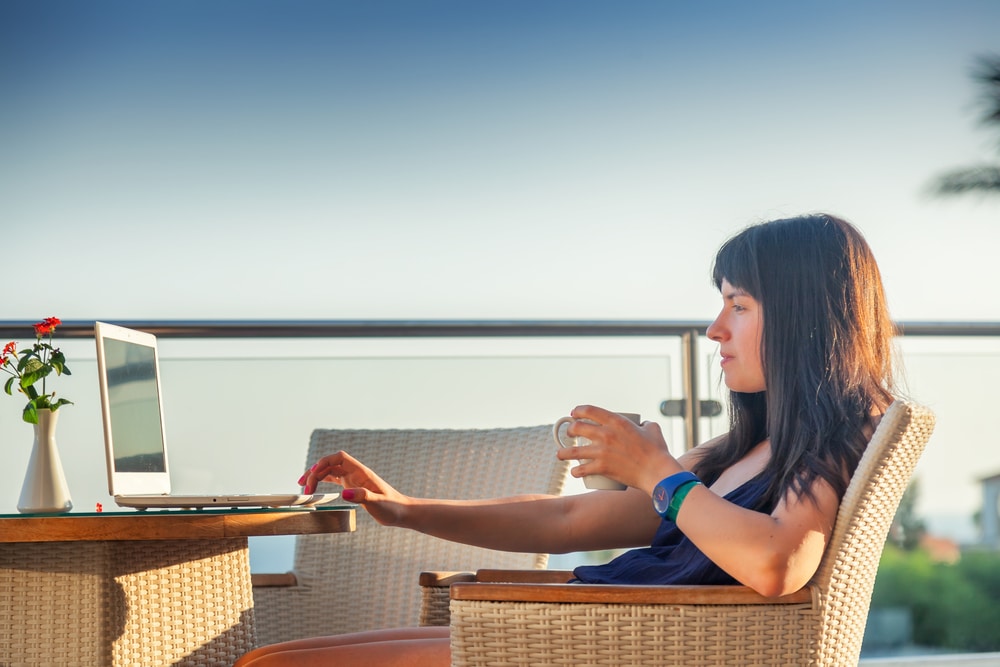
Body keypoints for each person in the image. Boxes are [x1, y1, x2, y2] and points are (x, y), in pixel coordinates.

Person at [235, 213, 898, 667]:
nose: (714, 328)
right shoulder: (748, 447)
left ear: (805, 316)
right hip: (584, 625)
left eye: (738, 304)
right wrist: (405, 506)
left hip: (601, 643)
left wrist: (659, 473)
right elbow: (568, 515)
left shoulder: (832, 442)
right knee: (265, 658)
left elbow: (780, 564)